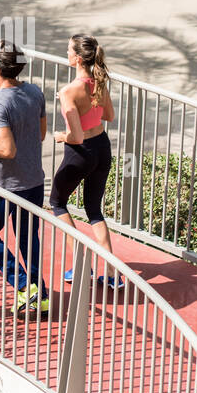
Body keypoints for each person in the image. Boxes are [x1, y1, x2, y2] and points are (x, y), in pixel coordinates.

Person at [0, 39, 49, 315]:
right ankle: (42, 296)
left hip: (5, 187)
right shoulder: (35, 92)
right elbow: (39, 134)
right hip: (35, 182)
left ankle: (26, 286)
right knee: (28, 239)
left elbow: (7, 150)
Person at [49, 33, 123, 288]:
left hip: (81, 153)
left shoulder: (68, 91)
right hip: (102, 147)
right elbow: (110, 116)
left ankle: (82, 264)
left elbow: (76, 136)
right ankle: (113, 274)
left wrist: (62, 136)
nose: (66, 53)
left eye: (68, 50)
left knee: (57, 202)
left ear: (78, 58)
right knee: (93, 209)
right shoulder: (100, 82)